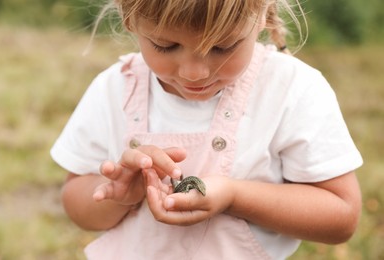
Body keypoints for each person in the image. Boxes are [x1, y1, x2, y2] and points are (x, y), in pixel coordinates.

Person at [51, 0, 363, 259]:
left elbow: (341, 218)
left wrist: (234, 196)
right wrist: (121, 195)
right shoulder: (114, 89)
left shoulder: (291, 90)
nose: (195, 73)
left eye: (223, 47)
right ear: (130, 21)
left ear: (262, 18)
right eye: (166, 45)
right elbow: (76, 205)